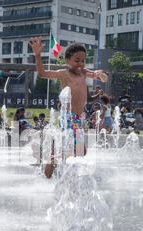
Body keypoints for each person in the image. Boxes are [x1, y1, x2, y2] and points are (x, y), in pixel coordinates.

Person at [28, 38, 108, 178]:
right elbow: (42, 73)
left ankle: (55, 162)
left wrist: (101, 75)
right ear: (67, 61)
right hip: (69, 116)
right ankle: (54, 161)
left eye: (83, 61)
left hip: (77, 118)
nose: (80, 64)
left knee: (80, 151)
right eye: (77, 60)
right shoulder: (64, 73)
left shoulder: (84, 73)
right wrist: (38, 56)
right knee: (79, 150)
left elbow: (103, 79)